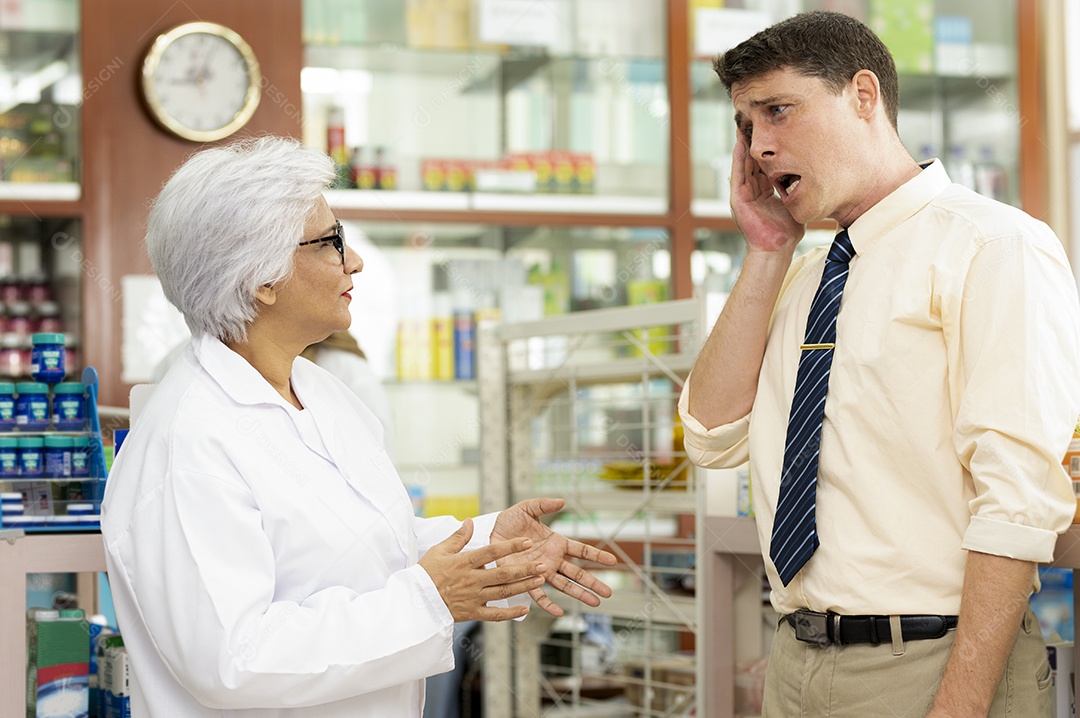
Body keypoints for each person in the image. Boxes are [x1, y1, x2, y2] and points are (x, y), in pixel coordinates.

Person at [101, 136, 617, 718]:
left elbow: (363, 546)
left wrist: (489, 542)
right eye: (330, 243)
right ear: (261, 278)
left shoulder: (323, 393)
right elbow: (234, 660)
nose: (355, 261)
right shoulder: (187, 443)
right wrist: (429, 599)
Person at [680, 11, 1080, 717]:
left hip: (937, 665)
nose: (760, 146)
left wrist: (957, 705)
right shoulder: (802, 276)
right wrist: (767, 250)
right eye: (746, 126)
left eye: (778, 111)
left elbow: (1016, 503)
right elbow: (710, 435)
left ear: (864, 96)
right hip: (797, 662)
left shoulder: (993, 245)